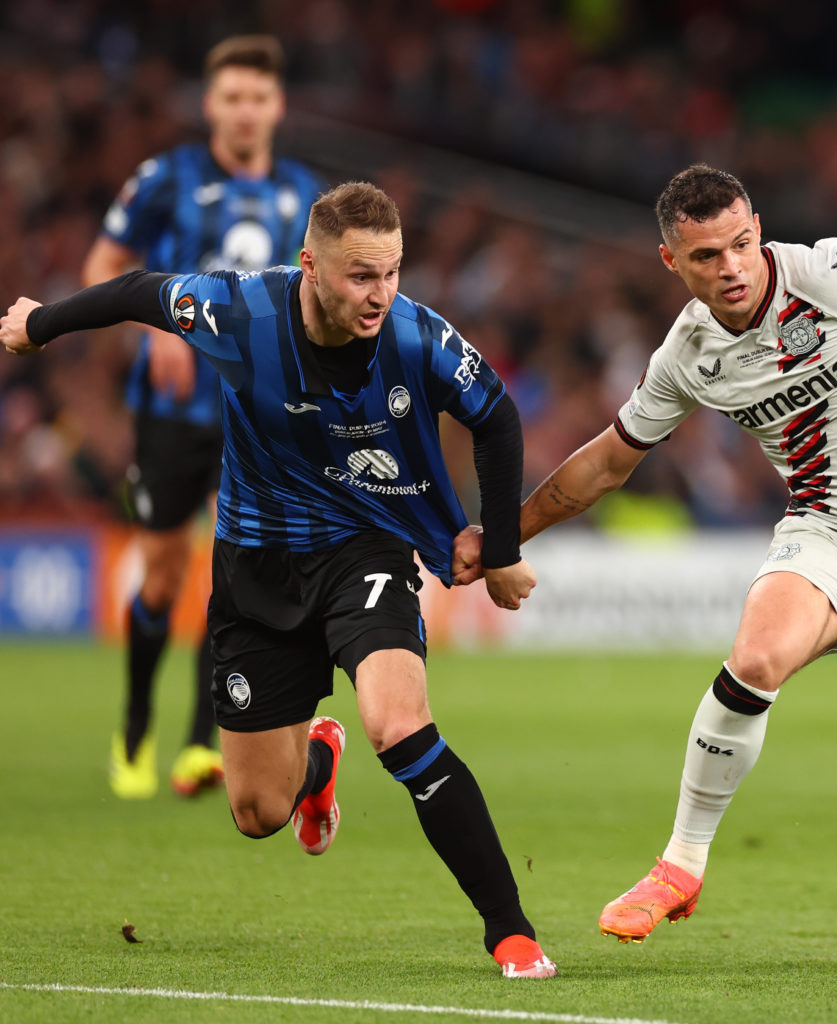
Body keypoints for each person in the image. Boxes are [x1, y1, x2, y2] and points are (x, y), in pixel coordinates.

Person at [2, 181, 557, 979]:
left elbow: (496, 417)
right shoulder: (238, 312)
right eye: (361, 275)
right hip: (254, 567)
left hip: (366, 549)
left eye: (393, 271)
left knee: (397, 724)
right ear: (310, 266)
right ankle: (316, 771)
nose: (381, 294)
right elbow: (136, 292)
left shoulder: (419, 337)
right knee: (258, 814)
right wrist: (39, 325)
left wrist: (498, 545)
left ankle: (511, 933)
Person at [516, 163, 837, 973]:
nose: (733, 268)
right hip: (831, 534)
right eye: (708, 256)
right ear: (671, 262)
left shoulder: (827, 272)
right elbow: (606, 464)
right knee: (754, 657)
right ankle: (682, 862)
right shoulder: (688, 352)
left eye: (742, 244)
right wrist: (507, 537)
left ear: (759, 230)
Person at [81, 35, 326, 800]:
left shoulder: (304, 194)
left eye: (259, 98)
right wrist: (155, 330)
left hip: (257, 411)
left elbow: (315, 297)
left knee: (236, 570)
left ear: (278, 106)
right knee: (161, 572)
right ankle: (135, 726)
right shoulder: (167, 178)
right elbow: (100, 267)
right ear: (212, 105)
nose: (246, 112)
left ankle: (199, 741)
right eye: (232, 98)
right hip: (173, 412)